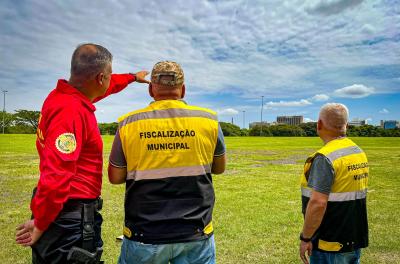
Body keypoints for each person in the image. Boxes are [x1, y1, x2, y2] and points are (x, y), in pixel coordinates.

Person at [15, 43, 150, 263]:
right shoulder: (71, 111)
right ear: (99, 78)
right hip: (68, 219)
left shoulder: (63, 96)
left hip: (63, 213)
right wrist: (41, 222)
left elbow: (109, 85)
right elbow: (57, 174)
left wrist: (132, 77)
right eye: (108, 75)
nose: (109, 80)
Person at [108, 61, 226, 264]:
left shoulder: (129, 123)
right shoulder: (208, 120)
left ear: (151, 89)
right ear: (183, 89)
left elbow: (115, 177)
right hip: (196, 232)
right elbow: (219, 168)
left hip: (144, 234)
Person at [299, 103, 369, 264]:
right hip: (353, 238)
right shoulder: (358, 152)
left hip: (330, 243)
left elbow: (318, 203)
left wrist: (306, 238)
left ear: (319, 124)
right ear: (347, 126)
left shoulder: (325, 157)